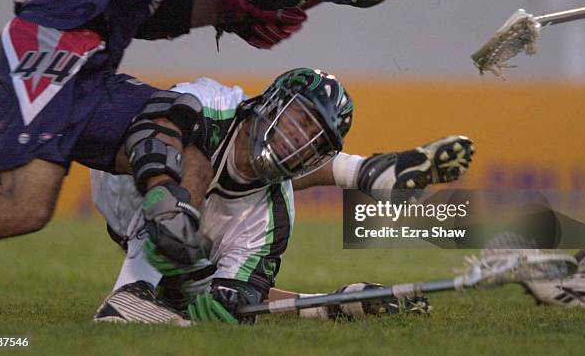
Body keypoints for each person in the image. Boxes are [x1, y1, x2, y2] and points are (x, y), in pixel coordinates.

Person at [0, 0, 411, 246]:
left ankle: (154, 281)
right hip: (51, 51)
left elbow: (140, 11)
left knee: (190, 136)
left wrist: (227, 14)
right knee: (25, 209)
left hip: (79, 52)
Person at [90, 67, 475, 324]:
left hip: (183, 231)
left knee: (230, 301)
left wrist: (332, 305)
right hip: (124, 171)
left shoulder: (273, 220)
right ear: (271, 102)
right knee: (191, 160)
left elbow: (223, 307)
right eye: (298, 121)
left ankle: (333, 300)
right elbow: (157, 131)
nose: (299, 140)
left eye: (314, 139)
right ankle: (132, 290)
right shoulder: (214, 102)